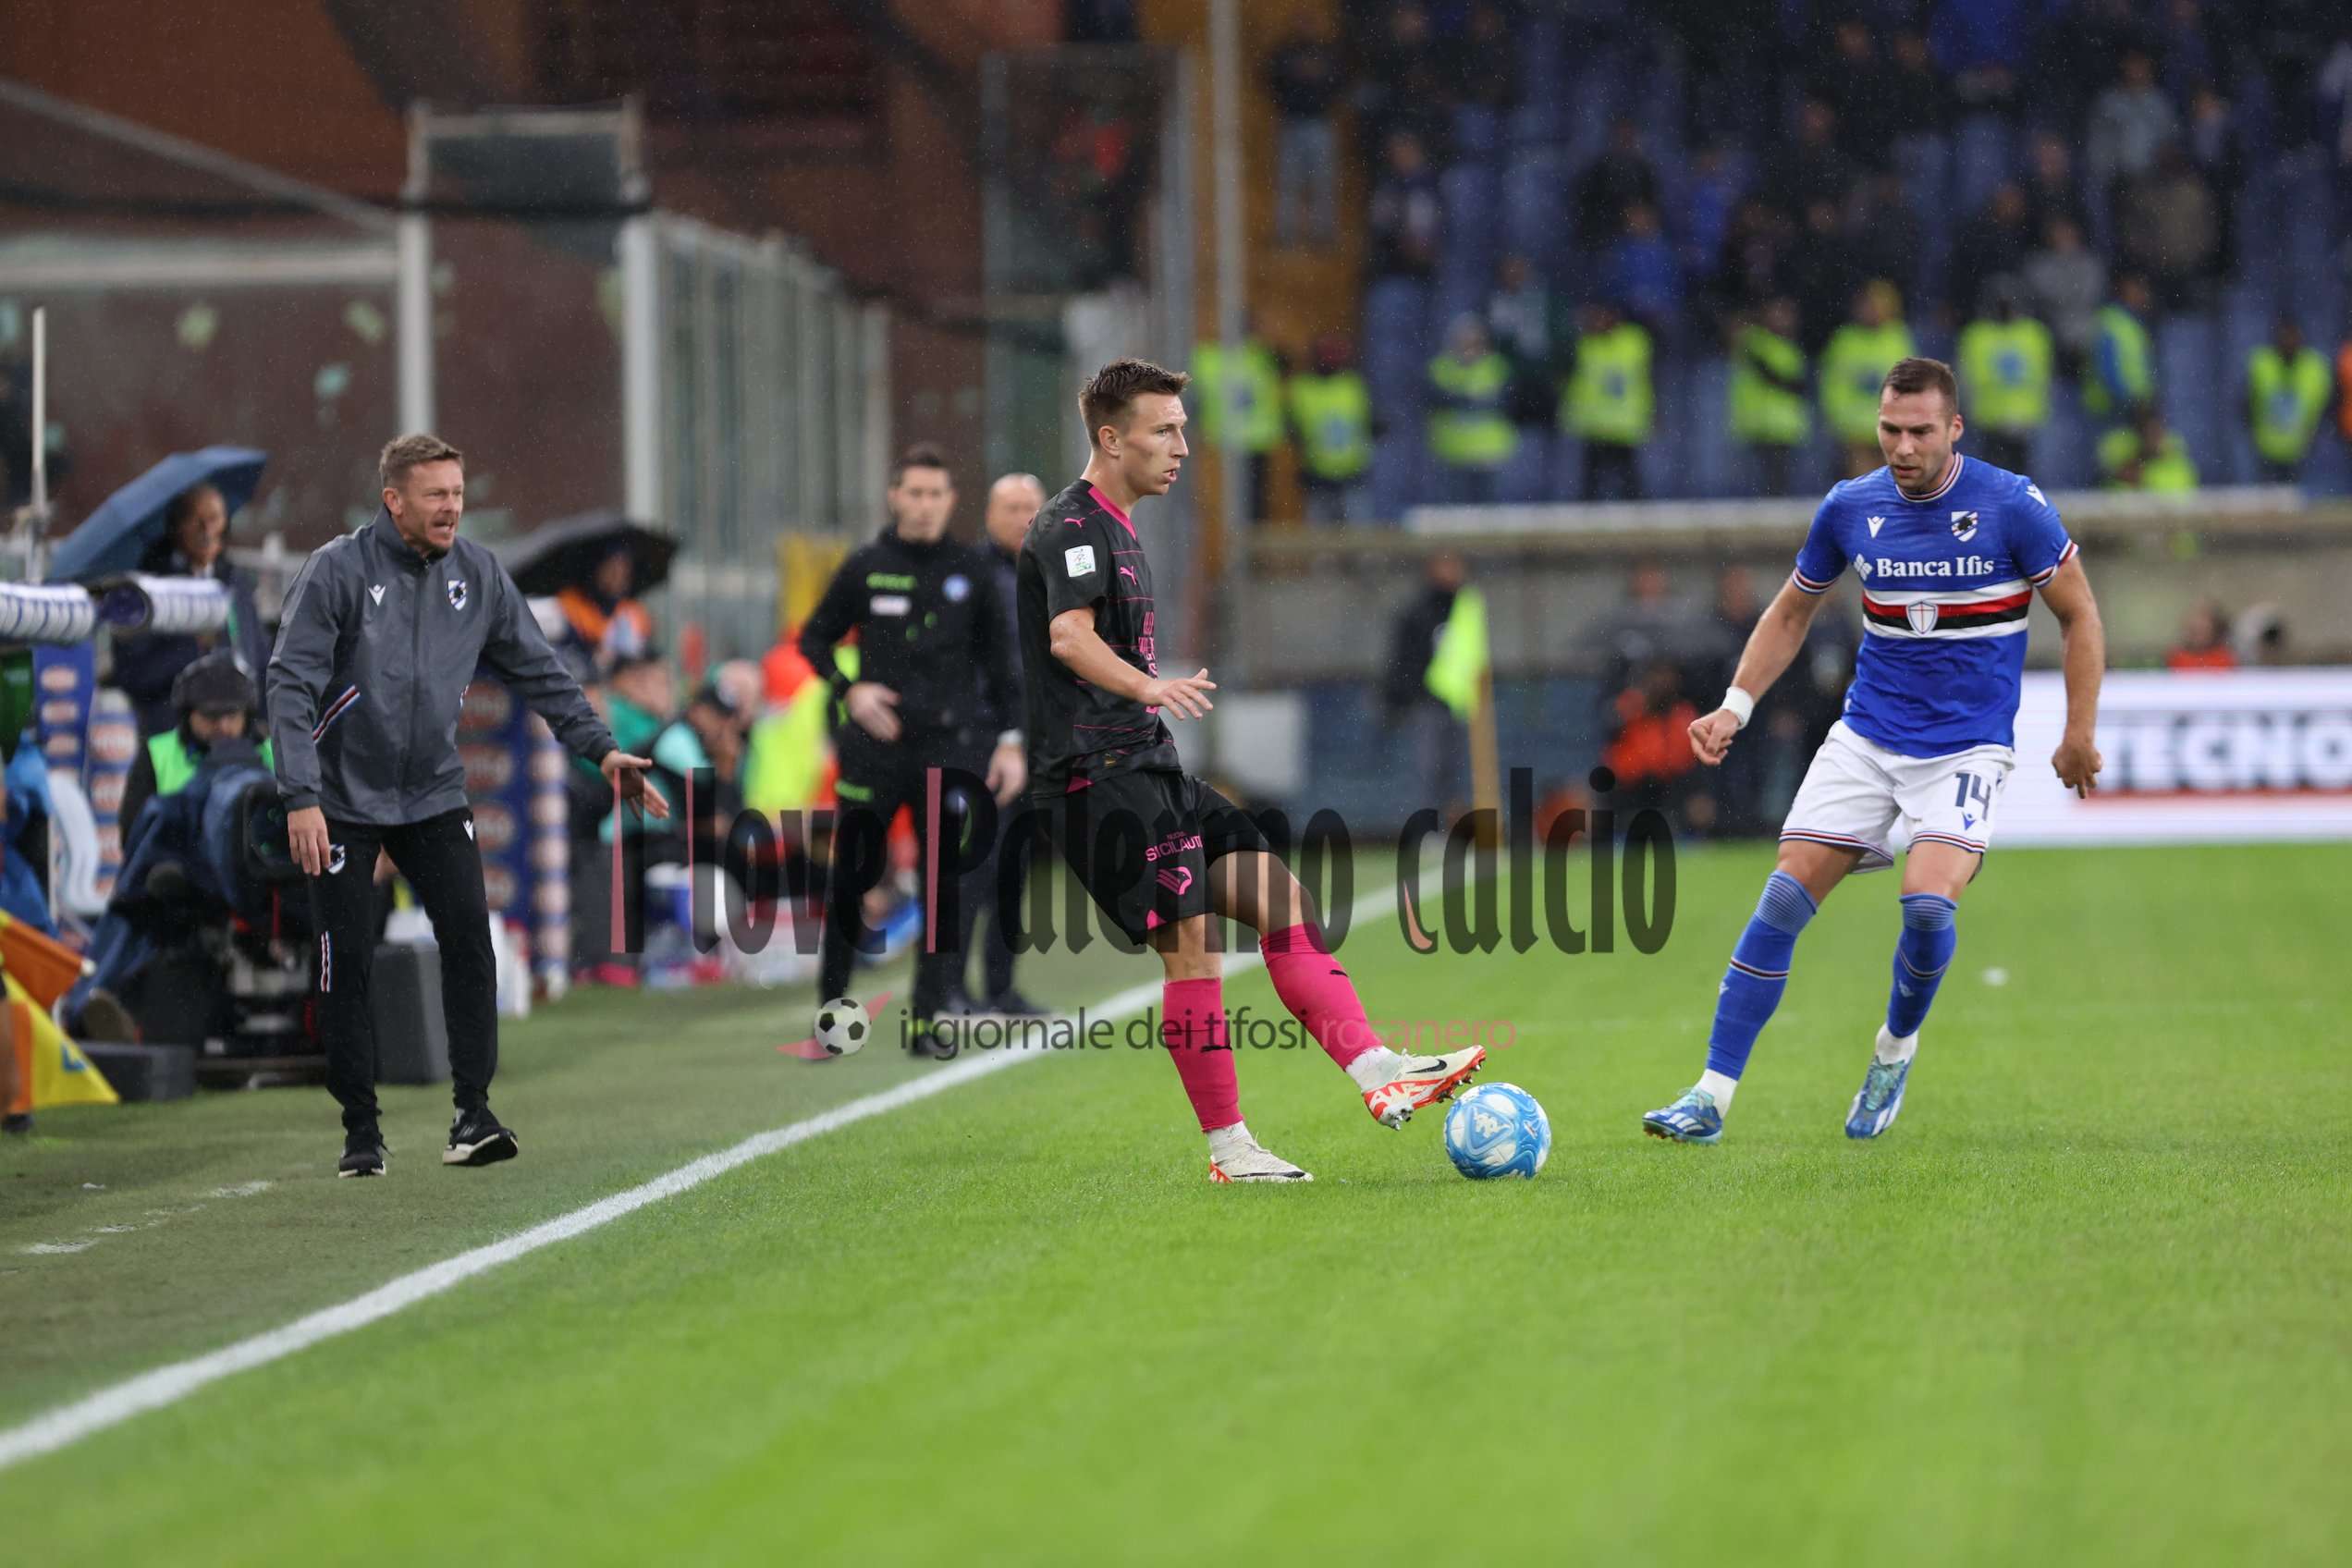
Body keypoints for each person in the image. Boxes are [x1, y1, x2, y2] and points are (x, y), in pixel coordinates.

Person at [1020, 359, 1484, 1182]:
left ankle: (1379, 1073)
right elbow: (1068, 637)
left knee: (1282, 899)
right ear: (1110, 436)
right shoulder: (1070, 526)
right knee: (1191, 952)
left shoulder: (1123, 528)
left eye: (1183, 428)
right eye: (1164, 430)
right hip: (1099, 779)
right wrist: (1147, 685)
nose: (1183, 446)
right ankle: (1230, 1151)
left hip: (1149, 765)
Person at [1644, 357, 2105, 1145]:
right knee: (1783, 899)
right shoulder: (1851, 508)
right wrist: (1734, 705)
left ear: (1954, 428)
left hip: (1965, 750)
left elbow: (2081, 614)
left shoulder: (2011, 505)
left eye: (1920, 431)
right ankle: (1710, 1097)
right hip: (1866, 738)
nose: (1901, 446)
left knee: (1927, 906)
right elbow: (1790, 613)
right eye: (1889, 430)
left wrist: (2077, 732)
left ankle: (1894, 1049)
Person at [268, 434, 668, 1178]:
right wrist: (301, 796)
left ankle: (472, 1114)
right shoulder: (337, 571)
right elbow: (289, 684)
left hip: (431, 792)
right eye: (436, 495)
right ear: (394, 500)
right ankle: (361, 1130)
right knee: (344, 958)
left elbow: (542, 672)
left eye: (457, 493)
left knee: (470, 943)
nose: (452, 507)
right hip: (340, 798)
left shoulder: (478, 574)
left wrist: (602, 749)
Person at [796, 447, 1024, 1052]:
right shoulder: (867, 566)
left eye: (936, 495)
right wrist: (852, 690)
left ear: (951, 502)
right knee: (854, 875)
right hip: (876, 746)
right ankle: (832, 1018)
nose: (924, 506)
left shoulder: (971, 573)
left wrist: (1011, 741)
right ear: (894, 497)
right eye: (914, 494)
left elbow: (1004, 668)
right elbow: (813, 638)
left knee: (943, 886)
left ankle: (927, 1021)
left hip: (952, 747)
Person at [968, 472, 1048, 1017]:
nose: (1022, 517)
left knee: (1014, 868)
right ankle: (947, 987)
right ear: (989, 513)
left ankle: (1001, 987)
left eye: (1030, 507)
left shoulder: (1052, 571)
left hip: (1037, 742)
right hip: (979, 741)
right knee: (972, 867)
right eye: (1011, 507)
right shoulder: (970, 575)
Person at [114, 481, 273, 738]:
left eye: (214, 519)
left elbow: (260, 659)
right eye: (196, 521)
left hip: (237, 740)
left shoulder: (235, 582)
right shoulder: (147, 590)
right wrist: (192, 647)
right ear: (176, 528)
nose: (206, 530)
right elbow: (133, 675)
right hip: (173, 739)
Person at [117, 651, 272, 842]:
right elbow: (132, 835)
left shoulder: (272, 753)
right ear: (188, 715)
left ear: (247, 715)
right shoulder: (157, 754)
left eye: (232, 715)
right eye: (211, 716)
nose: (223, 726)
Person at [1381, 550, 1468, 818]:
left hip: (1457, 703)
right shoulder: (1419, 612)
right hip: (1427, 703)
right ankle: (1427, 828)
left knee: (1454, 772)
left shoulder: (1465, 610)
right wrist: (1406, 695)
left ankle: (1454, 827)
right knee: (1428, 770)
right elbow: (1405, 659)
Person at [1560, 301, 1653, 501]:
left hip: (1624, 423)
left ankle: (1637, 519)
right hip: (1595, 424)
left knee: (1629, 478)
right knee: (1591, 480)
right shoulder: (1586, 344)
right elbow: (1576, 382)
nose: (1595, 322)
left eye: (1599, 317)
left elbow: (1647, 376)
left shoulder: (1634, 340)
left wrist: (1652, 411)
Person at [1954, 289, 2053, 473]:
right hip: (1988, 420)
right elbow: (1966, 378)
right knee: (1992, 475)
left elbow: (2044, 376)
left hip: (2025, 420)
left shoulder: (2033, 333)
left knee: (2022, 476)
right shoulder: (1977, 335)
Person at [1426, 314, 1516, 504]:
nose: (1469, 347)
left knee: (1487, 510)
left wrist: (1470, 401)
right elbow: (1433, 399)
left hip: (1489, 453)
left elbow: (1507, 401)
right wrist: (1466, 400)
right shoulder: (1441, 367)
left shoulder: (1496, 366)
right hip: (1452, 453)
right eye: (1464, 341)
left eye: (1473, 341)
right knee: (1454, 510)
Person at [1286, 335, 1373, 523]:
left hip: (1352, 472)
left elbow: (1368, 422)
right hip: (1317, 474)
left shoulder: (1352, 385)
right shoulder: (1302, 387)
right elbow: (1293, 427)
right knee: (1321, 537)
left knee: (1359, 533)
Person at [1729, 299, 1810, 496]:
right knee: (1756, 487)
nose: (1782, 319)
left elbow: (1798, 385)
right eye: (1777, 313)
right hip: (1755, 426)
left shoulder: (1792, 348)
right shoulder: (1754, 341)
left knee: (1779, 486)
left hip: (1784, 428)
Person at [2245, 318, 2332, 484]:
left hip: (2302, 448)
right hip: (2266, 447)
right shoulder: (2262, 362)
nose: (2289, 342)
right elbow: (2245, 402)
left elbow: (2325, 405)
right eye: (2285, 337)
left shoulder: (2314, 365)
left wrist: (2315, 434)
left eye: (2293, 337)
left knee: (2299, 500)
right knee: (2268, 500)